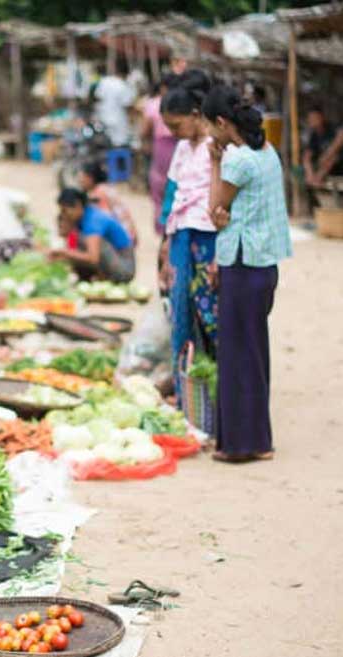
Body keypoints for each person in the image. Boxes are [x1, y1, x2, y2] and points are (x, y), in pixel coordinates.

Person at [204, 84, 293, 464]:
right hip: (264, 265)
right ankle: (258, 439)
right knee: (254, 354)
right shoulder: (267, 152)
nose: (209, 133)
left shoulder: (237, 160)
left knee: (236, 354)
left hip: (242, 265)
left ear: (223, 123)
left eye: (211, 126)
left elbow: (215, 209)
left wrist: (214, 164)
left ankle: (242, 444)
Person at [160, 82, 219, 420]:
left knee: (213, 318)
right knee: (182, 313)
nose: (174, 133)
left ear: (196, 115)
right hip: (182, 235)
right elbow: (175, 195)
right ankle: (187, 402)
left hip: (209, 237)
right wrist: (167, 244)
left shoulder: (217, 146)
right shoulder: (182, 149)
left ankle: (218, 400)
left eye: (178, 125)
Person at [53, 188, 136, 283]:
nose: (64, 215)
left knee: (82, 242)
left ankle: (104, 278)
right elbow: (71, 245)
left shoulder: (93, 221)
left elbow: (93, 258)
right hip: (113, 259)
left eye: (65, 210)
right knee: (76, 245)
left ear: (78, 205)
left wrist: (64, 252)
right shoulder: (83, 218)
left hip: (123, 269)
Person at [139, 72, 186, 238]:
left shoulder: (153, 104)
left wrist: (145, 143)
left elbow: (144, 130)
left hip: (162, 148)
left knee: (160, 186)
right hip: (179, 145)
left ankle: (164, 228)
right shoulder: (184, 103)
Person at [78, 159, 137, 245]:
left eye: (82, 179)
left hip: (123, 238)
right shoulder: (106, 188)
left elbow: (104, 219)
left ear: (90, 178)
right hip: (130, 234)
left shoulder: (98, 194)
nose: (80, 182)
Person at [302, 106, 343, 188]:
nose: (313, 121)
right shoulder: (314, 135)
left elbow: (342, 136)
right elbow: (307, 155)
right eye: (311, 119)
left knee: (332, 157)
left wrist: (326, 155)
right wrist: (309, 172)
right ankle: (313, 179)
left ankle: (317, 178)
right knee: (308, 158)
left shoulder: (332, 127)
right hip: (329, 169)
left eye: (315, 118)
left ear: (322, 117)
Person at [93, 71, 137, 147]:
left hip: (103, 116)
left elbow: (97, 97)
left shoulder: (104, 81)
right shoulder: (122, 85)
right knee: (119, 143)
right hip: (118, 119)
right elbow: (127, 104)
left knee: (107, 142)